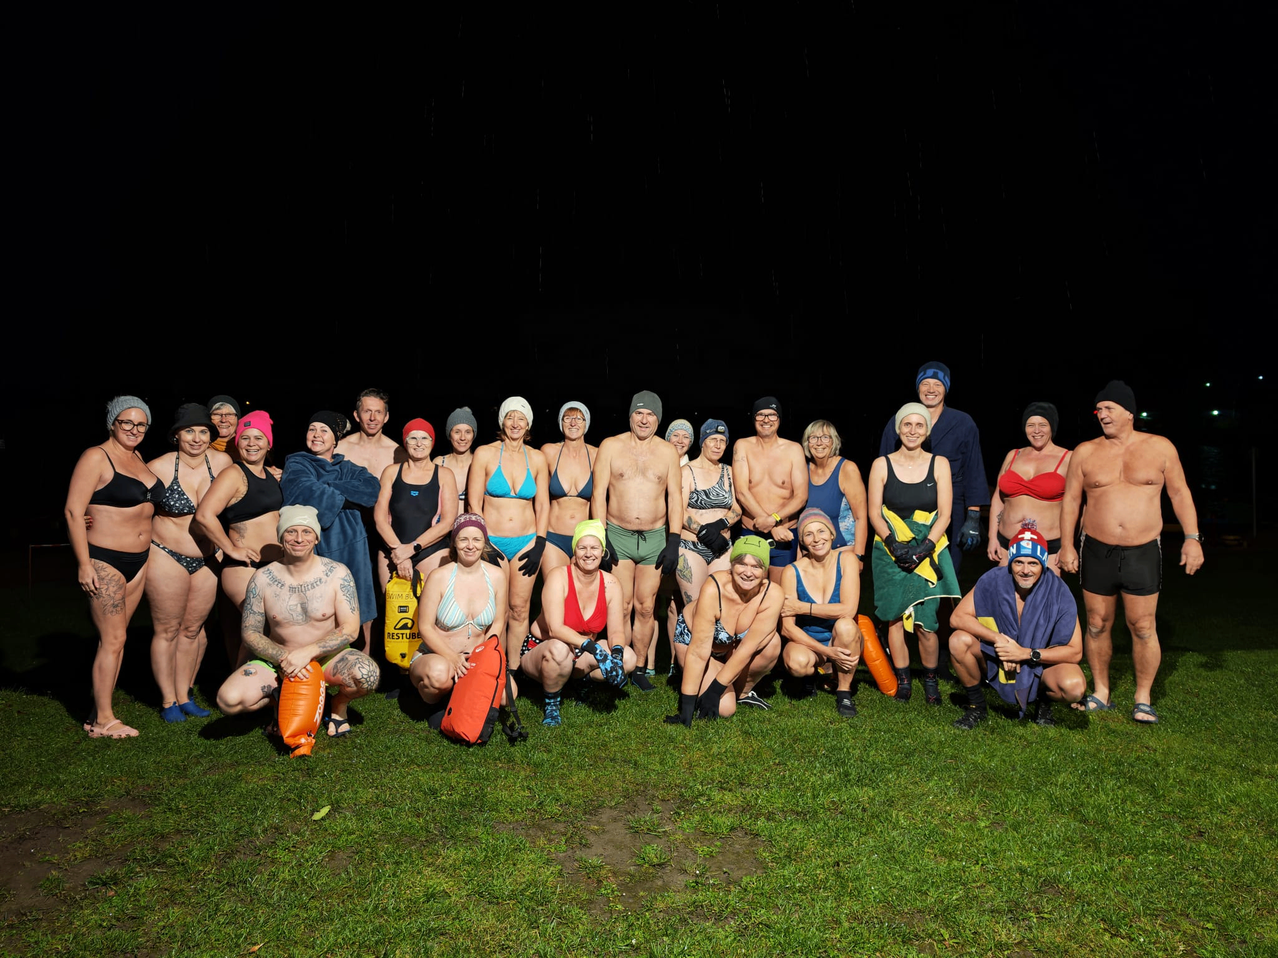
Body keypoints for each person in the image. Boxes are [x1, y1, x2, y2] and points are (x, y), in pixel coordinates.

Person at [1057, 381, 1204, 724]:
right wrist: (1066, 545)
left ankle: (1143, 697)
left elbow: (1180, 494)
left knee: (1142, 625)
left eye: (1109, 409)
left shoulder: (1160, 448)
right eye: (1099, 410)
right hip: (1095, 548)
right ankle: (1101, 691)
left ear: (1129, 412)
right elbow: (1071, 502)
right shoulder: (1085, 451)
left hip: (1142, 551)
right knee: (1096, 623)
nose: (1102, 415)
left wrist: (1192, 538)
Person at [214, 506, 380, 739]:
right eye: (291, 532)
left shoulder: (337, 573)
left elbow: (351, 629)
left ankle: (337, 707)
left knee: (368, 675)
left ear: (315, 537)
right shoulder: (262, 578)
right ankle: (280, 700)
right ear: (281, 537)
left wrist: (309, 652)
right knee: (227, 700)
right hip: (278, 661)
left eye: (306, 532)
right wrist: (284, 658)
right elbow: (250, 633)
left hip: (327, 658)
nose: (299, 538)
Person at [66, 397, 165, 738]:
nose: (134, 430)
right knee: (114, 638)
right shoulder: (96, 456)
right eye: (127, 423)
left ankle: (97, 710)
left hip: (139, 560)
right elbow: (72, 511)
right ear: (112, 423)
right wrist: (83, 563)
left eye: (141, 425)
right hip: (105, 559)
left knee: (118, 640)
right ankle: (104, 721)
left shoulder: (136, 457)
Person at [867, 402, 961, 705]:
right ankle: (904, 679)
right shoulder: (882, 464)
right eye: (907, 425)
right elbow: (874, 512)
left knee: (926, 622)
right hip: (889, 549)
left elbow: (945, 513)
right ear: (898, 429)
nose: (912, 431)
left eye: (919, 425)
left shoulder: (939, 464)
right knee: (894, 617)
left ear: (927, 430)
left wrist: (925, 548)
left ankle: (930, 679)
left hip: (928, 550)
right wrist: (893, 544)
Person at [144, 404, 232, 722]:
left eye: (204, 431)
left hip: (208, 559)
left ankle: (185, 694)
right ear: (176, 435)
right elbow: (129, 502)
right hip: (166, 553)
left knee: (192, 630)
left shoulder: (222, 463)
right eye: (190, 431)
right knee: (167, 629)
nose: (197, 438)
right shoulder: (157, 467)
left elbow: (244, 490)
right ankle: (168, 701)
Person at [591, 390, 683, 690]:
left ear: (658, 418)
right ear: (630, 416)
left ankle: (640, 667)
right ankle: (620, 661)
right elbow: (598, 493)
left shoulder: (667, 451)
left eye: (651, 415)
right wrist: (601, 534)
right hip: (618, 533)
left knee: (646, 606)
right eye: (639, 413)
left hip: (655, 537)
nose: (644, 420)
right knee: (623, 605)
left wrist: (674, 539)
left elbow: (675, 497)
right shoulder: (610, 446)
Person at [949, 527, 1085, 728]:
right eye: (1019, 562)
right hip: (998, 656)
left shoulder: (1059, 592)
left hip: (1038, 662)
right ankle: (976, 706)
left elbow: (1075, 652)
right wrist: (999, 640)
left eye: (1033, 563)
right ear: (1011, 562)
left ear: (1043, 564)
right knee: (958, 641)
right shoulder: (993, 580)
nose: (1025, 570)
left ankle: (1042, 702)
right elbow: (957, 617)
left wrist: (1025, 654)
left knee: (1074, 687)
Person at [280, 411, 383, 646]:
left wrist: (326, 485)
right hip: (315, 546)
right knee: (317, 613)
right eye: (312, 429)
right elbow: (304, 492)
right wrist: (347, 495)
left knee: (358, 613)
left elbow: (371, 490)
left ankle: (360, 679)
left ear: (335, 439)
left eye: (323, 430)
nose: (316, 435)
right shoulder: (297, 462)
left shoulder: (347, 467)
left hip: (353, 548)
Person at [519, 520, 635, 725]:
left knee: (628, 658)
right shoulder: (558, 576)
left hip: (581, 652)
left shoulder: (611, 583)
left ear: (603, 551)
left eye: (594, 547)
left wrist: (615, 655)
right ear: (574, 550)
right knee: (558, 648)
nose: (588, 553)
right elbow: (555, 628)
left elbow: (617, 630)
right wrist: (595, 650)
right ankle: (552, 703)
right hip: (545, 649)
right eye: (582, 548)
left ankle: (581, 682)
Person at [194, 410, 283, 665]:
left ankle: (264, 691)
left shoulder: (270, 475)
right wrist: (230, 549)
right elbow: (204, 515)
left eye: (258, 437)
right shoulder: (234, 474)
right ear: (238, 443)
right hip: (245, 567)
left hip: (275, 567)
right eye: (245, 438)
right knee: (260, 628)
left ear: (269, 442)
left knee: (270, 631)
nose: (252, 443)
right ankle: (239, 689)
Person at [878, 362, 987, 569]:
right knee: (903, 568)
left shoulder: (963, 423)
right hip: (903, 506)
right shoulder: (900, 421)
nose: (930, 390)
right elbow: (884, 467)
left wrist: (973, 516)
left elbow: (974, 469)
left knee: (945, 572)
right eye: (925, 384)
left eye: (937, 384)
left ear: (946, 388)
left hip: (950, 509)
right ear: (917, 387)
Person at [467, 397, 550, 663]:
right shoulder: (485, 454)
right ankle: (493, 665)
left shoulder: (537, 458)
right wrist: (483, 543)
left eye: (521, 418)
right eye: (510, 417)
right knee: (497, 611)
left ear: (528, 425)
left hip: (526, 541)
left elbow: (544, 505)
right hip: (493, 542)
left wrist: (540, 543)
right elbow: (473, 502)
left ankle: (515, 667)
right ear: (502, 421)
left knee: (519, 608)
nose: (515, 423)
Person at [666, 536, 783, 722]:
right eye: (742, 564)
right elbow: (698, 651)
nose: (748, 572)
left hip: (730, 649)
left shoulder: (772, 595)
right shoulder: (715, 588)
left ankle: (740, 692)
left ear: (765, 570)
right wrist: (686, 710)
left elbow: (747, 649)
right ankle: (700, 684)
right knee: (726, 709)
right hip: (695, 644)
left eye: (756, 566)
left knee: (772, 643)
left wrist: (716, 689)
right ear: (732, 565)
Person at [408, 513, 514, 709]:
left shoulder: (497, 576)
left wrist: (483, 655)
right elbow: (425, 627)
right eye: (463, 539)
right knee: (438, 676)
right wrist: (452, 657)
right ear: (454, 543)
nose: (470, 545)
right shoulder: (439, 576)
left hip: (475, 655)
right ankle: (434, 704)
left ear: (485, 542)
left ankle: (460, 699)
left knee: (508, 696)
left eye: (476, 539)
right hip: (437, 655)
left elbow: (499, 621)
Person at [779, 508, 863, 717]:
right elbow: (787, 628)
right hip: (810, 644)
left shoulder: (847, 560)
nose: (817, 539)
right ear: (803, 541)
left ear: (832, 534)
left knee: (845, 625)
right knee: (796, 663)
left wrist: (803, 607)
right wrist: (827, 654)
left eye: (821, 531)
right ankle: (812, 676)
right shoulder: (792, 571)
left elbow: (848, 609)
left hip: (841, 639)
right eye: (808, 534)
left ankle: (844, 692)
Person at [670, 419, 739, 663]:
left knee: (723, 605)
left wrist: (720, 526)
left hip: (722, 549)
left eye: (723, 441)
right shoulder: (686, 472)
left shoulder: (729, 472)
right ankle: (686, 662)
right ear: (703, 442)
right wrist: (704, 532)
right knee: (695, 607)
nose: (718, 445)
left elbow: (738, 508)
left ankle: (717, 661)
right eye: (713, 440)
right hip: (691, 548)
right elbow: (677, 508)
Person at [987, 403, 1072, 574]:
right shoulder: (1013, 455)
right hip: (1007, 544)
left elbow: (1077, 505)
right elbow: (998, 497)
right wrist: (992, 537)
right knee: (1003, 597)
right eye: (1030, 425)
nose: (1036, 430)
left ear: (1052, 427)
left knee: (1045, 598)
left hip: (1049, 547)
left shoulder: (1068, 458)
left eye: (1043, 425)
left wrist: (1068, 545)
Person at [373, 418, 458, 587]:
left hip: (431, 551)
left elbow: (448, 522)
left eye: (424, 438)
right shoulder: (390, 472)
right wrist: (399, 552)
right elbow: (380, 519)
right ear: (405, 442)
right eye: (413, 438)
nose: (419, 443)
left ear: (432, 442)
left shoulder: (444, 474)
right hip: (392, 549)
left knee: (430, 608)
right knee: (392, 610)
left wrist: (411, 548)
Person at [733, 397, 808, 582]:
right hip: (752, 532)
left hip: (784, 536)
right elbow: (742, 491)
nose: (766, 419)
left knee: (780, 596)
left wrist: (773, 520)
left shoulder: (794, 449)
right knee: (748, 595)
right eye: (761, 415)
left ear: (779, 419)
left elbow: (801, 496)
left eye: (772, 415)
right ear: (754, 419)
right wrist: (772, 527)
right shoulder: (742, 446)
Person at [540, 401, 598, 575]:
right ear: (561, 422)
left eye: (579, 418)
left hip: (585, 538)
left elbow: (602, 498)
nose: (573, 423)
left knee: (581, 597)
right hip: (553, 537)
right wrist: (539, 538)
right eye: (568, 418)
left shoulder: (597, 454)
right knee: (553, 593)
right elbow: (539, 499)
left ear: (586, 423)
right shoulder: (549, 452)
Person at [801, 419, 867, 560]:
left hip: (841, 553)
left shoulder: (847, 469)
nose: (819, 443)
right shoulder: (802, 470)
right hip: (811, 555)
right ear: (807, 443)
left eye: (825, 437)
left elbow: (860, 517)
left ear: (834, 441)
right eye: (813, 438)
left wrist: (859, 556)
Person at [435, 407, 477, 514]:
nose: (462, 437)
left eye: (468, 432)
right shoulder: (439, 463)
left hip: (472, 527)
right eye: (457, 432)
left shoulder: (479, 462)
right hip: (442, 526)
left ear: (473, 435)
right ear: (450, 434)